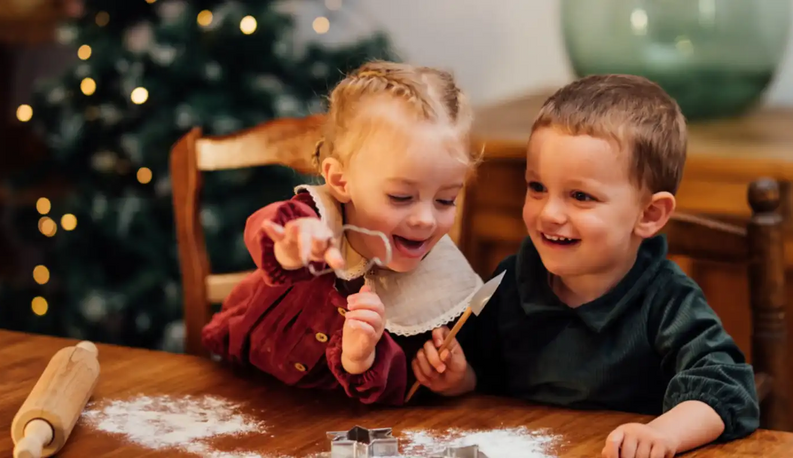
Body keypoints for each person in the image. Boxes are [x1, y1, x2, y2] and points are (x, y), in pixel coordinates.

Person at [411, 74, 760, 457]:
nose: (549, 213)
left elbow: (727, 389)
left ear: (649, 214)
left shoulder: (668, 299)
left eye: (580, 196)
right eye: (537, 187)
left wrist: (664, 434)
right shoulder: (508, 282)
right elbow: (483, 377)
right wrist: (459, 377)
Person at [203, 61, 485, 406]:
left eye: (445, 200)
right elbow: (269, 228)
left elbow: (411, 392)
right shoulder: (316, 217)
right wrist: (290, 247)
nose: (426, 220)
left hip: (327, 420)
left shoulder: (443, 285)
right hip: (239, 382)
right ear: (340, 180)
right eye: (401, 197)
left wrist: (455, 380)